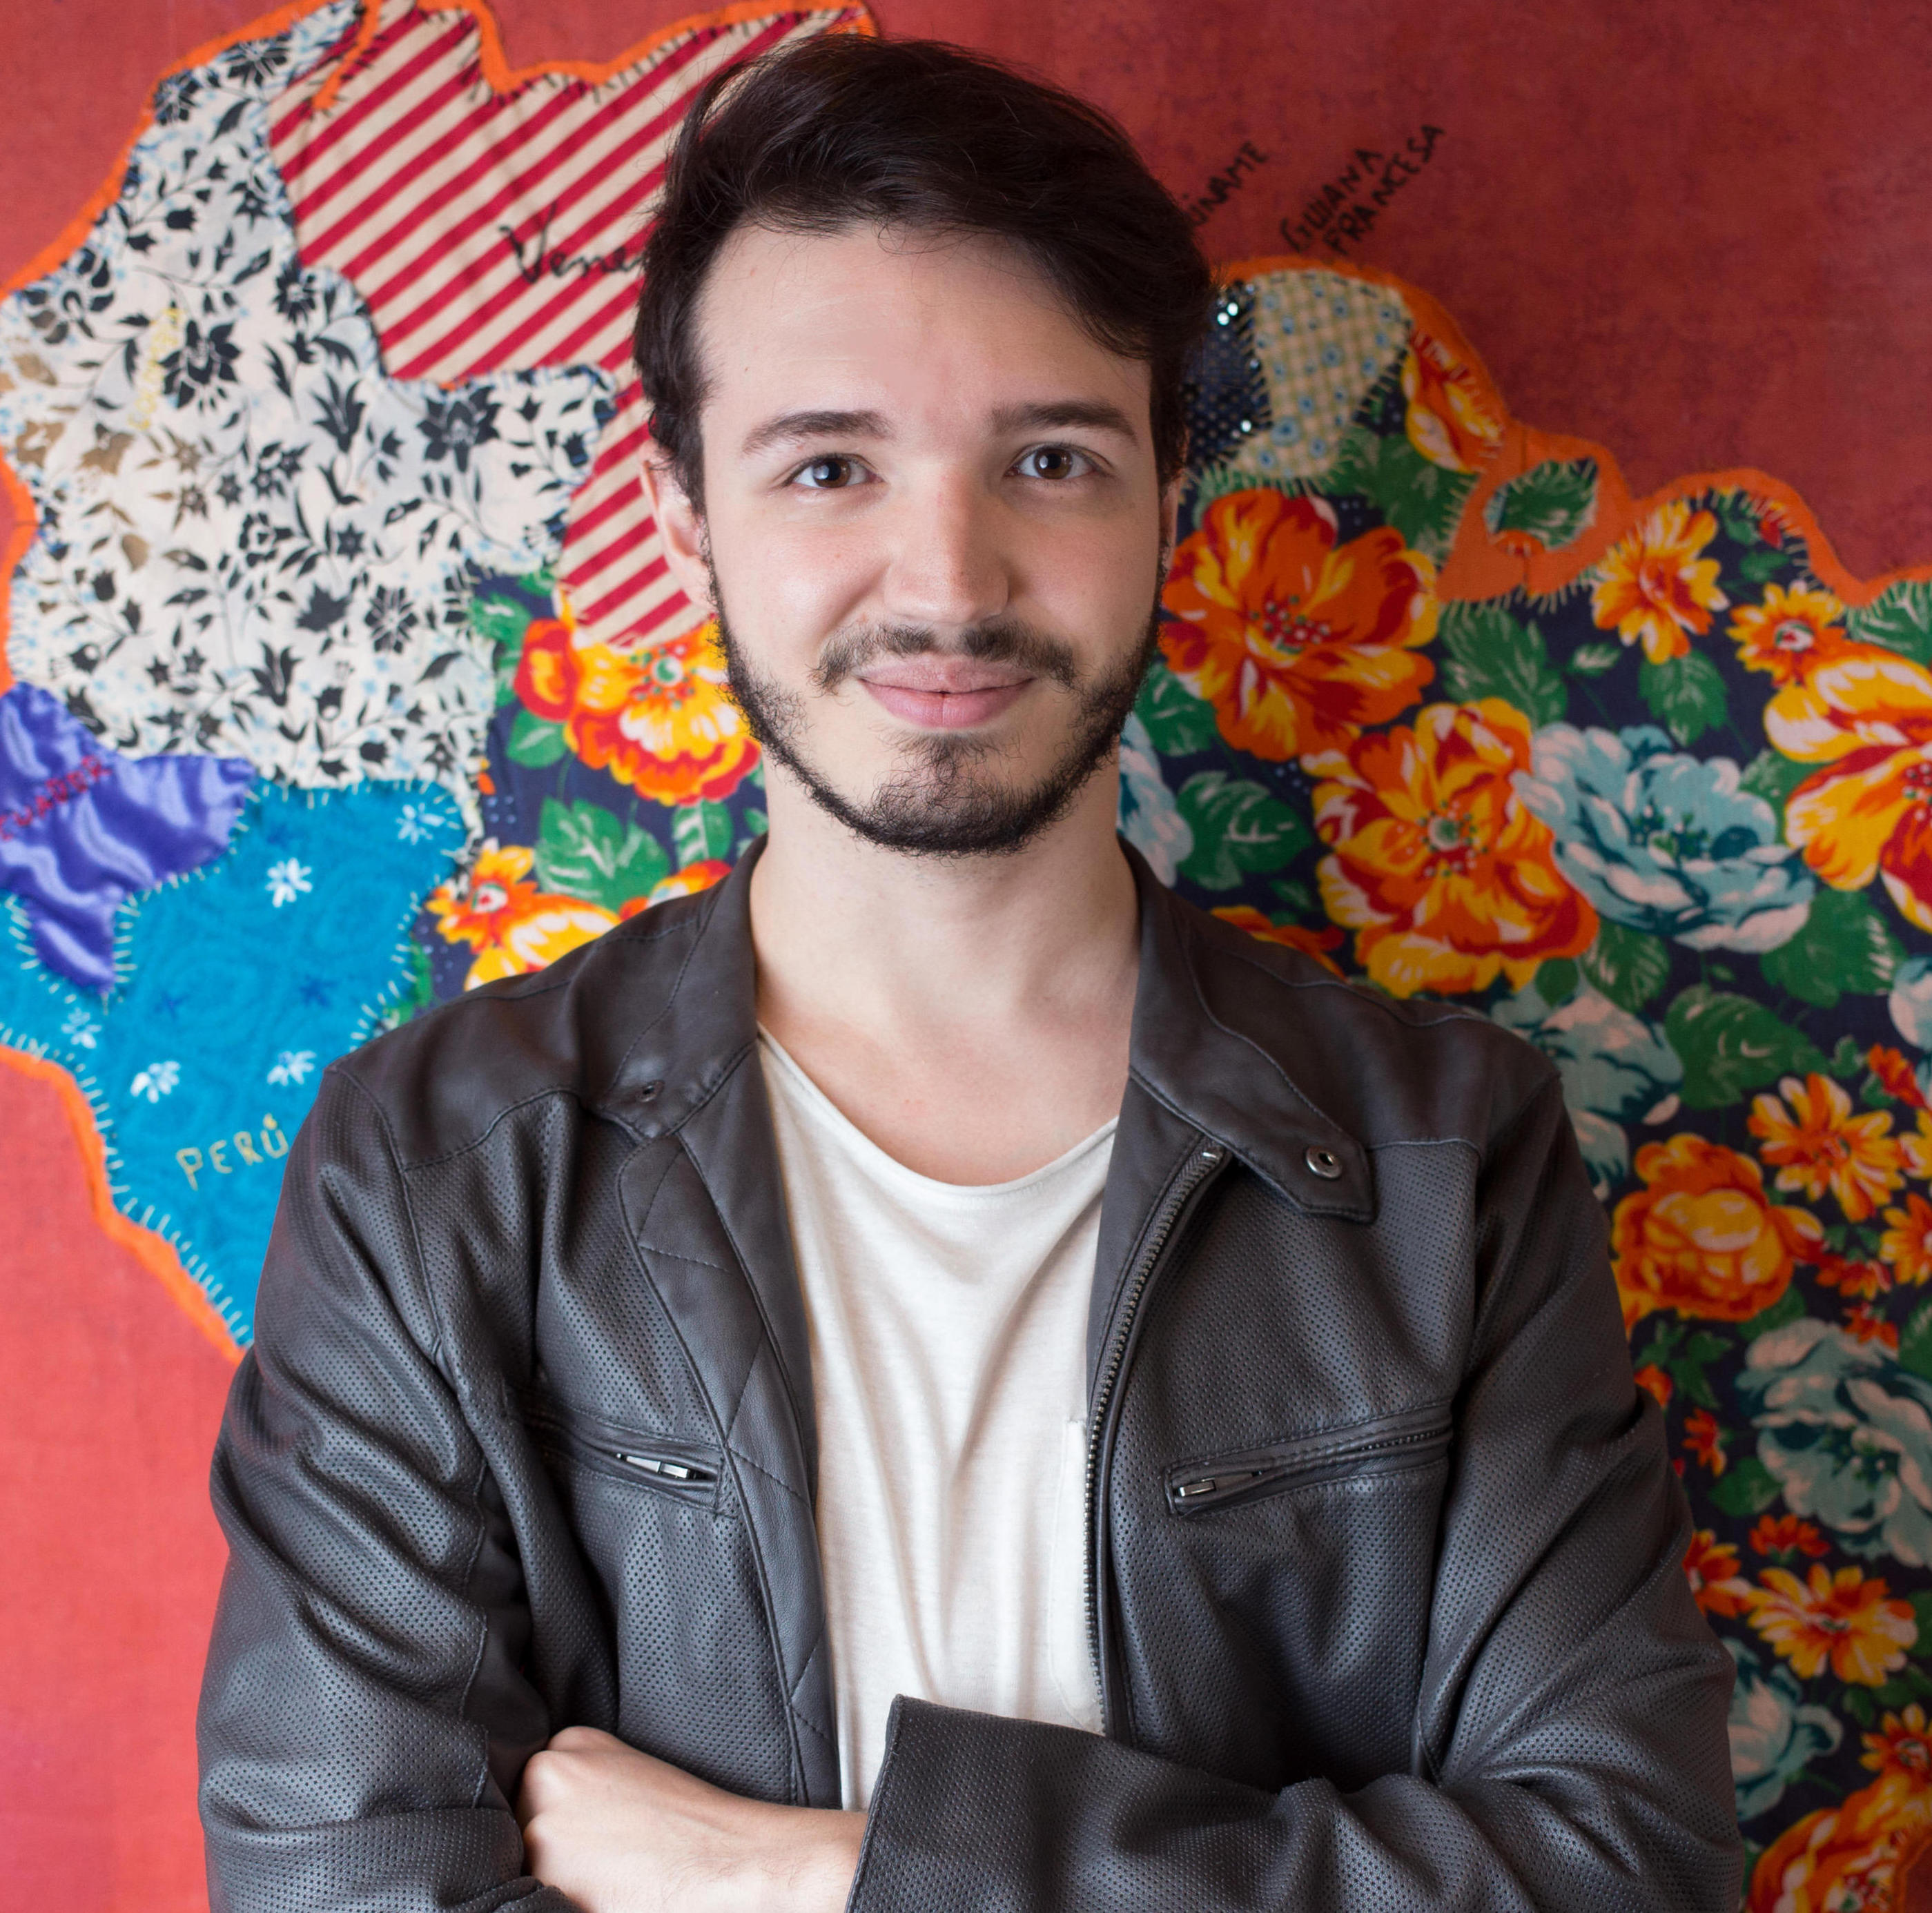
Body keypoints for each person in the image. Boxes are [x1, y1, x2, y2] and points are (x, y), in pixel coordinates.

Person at [197, 32, 1742, 1913]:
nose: (947, 580)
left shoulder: (1447, 1154)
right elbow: (340, 1882)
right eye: (829, 465)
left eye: (1051, 459)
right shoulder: (429, 1171)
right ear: (685, 522)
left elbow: (1622, 1868)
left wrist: (817, 1876)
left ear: (1170, 497)